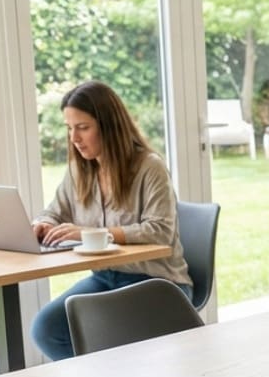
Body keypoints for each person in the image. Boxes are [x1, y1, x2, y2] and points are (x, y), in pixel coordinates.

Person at [30, 81, 192, 361]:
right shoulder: (80, 171)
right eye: (69, 128)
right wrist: (42, 223)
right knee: (47, 328)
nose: (74, 138)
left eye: (82, 127)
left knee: (106, 333)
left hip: (158, 281)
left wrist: (91, 233)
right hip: (106, 278)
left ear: (109, 125)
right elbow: (55, 211)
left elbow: (161, 231)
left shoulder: (149, 167)